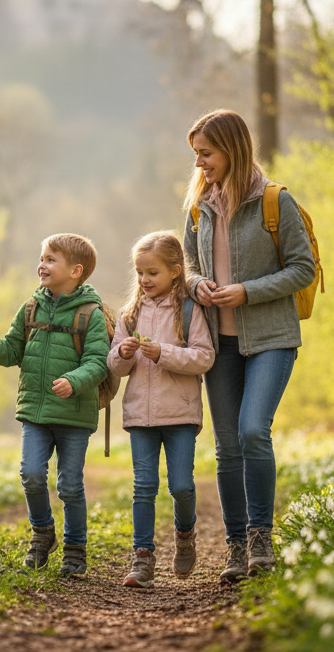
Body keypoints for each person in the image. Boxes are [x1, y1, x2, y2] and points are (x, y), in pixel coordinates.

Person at [182, 109, 315, 583]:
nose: (199, 164)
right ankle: (237, 548)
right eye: (196, 154)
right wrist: (197, 286)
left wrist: (246, 291)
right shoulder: (199, 208)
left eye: (206, 153)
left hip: (272, 338)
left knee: (253, 430)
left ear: (232, 150)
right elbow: (188, 267)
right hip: (219, 343)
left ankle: (262, 538)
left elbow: (304, 268)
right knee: (227, 447)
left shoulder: (276, 202)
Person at [0, 233, 111, 577]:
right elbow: (12, 351)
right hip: (35, 411)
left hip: (74, 414)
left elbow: (98, 361)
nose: (41, 265)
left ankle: (75, 548)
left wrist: (74, 381)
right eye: (42, 258)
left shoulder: (91, 314)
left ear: (76, 271)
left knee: (70, 485)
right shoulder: (31, 308)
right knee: (31, 475)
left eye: (50, 259)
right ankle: (42, 534)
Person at [106, 231, 214, 588]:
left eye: (152, 272)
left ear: (175, 271)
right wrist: (121, 354)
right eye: (139, 272)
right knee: (144, 486)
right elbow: (115, 366)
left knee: (182, 486)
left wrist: (163, 353)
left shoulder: (188, 310)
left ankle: (185, 536)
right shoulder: (130, 313)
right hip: (141, 416)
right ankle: (142, 558)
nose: (144, 279)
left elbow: (204, 357)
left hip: (180, 414)